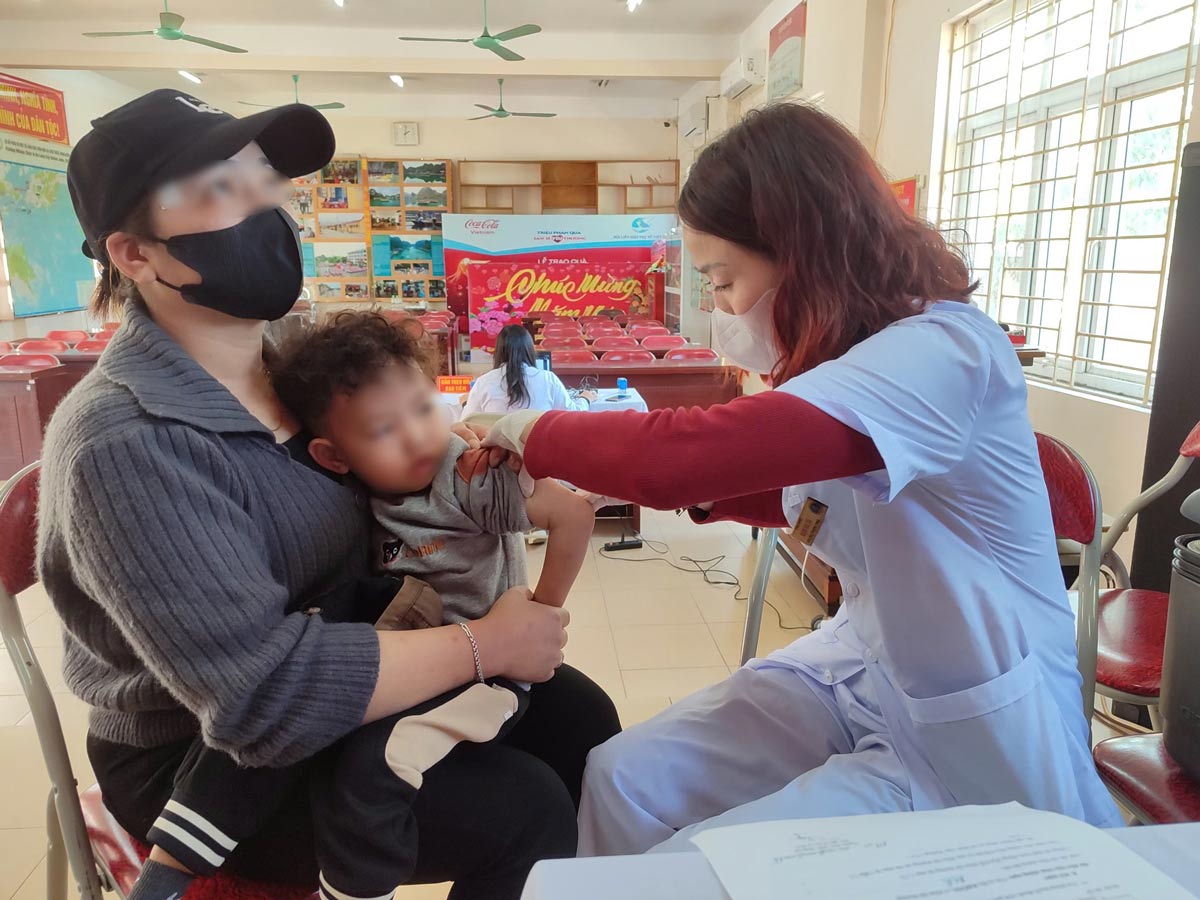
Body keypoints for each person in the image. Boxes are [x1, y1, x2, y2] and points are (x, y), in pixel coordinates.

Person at [480, 102, 1122, 856]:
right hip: (864, 662)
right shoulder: (850, 363)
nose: (719, 307)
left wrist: (526, 430)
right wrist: (644, 489)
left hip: (969, 717)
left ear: (806, 250)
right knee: (621, 776)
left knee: (705, 865)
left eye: (725, 279)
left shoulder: (946, 350)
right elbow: (806, 496)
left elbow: (688, 454)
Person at [41, 88, 619, 900]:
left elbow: (397, 452)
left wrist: (465, 449)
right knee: (523, 810)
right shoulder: (128, 441)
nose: (267, 211)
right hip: (209, 751)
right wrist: (485, 645)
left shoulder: (293, 364)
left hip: (355, 643)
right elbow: (259, 702)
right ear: (135, 254)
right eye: (221, 192)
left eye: (264, 183)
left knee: (584, 724)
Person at [462, 324, 597, 418]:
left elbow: (468, 420)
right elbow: (571, 414)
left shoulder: (484, 382)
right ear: (529, 350)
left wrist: (465, 403)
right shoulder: (547, 379)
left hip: (498, 454)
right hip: (539, 451)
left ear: (498, 352)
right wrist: (585, 398)